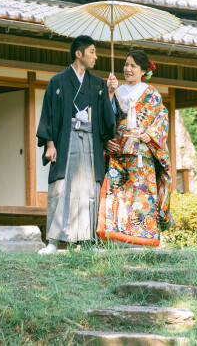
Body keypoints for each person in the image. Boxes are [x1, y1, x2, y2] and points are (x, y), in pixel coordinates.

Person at [36, 35, 116, 254]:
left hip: (90, 140)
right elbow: (49, 114)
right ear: (78, 54)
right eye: (92, 52)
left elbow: (106, 121)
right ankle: (53, 241)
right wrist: (50, 144)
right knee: (61, 188)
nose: (96, 57)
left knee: (89, 189)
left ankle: (88, 241)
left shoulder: (99, 84)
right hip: (64, 141)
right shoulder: (57, 81)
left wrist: (109, 93)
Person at [98, 50, 173, 247]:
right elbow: (105, 119)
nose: (128, 69)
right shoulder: (116, 91)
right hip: (118, 153)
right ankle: (118, 239)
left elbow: (161, 120)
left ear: (143, 71)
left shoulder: (152, 95)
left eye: (133, 66)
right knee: (118, 197)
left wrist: (151, 135)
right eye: (126, 64)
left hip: (142, 154)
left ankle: (144, 239)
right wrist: (111, 93)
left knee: (143, 196)